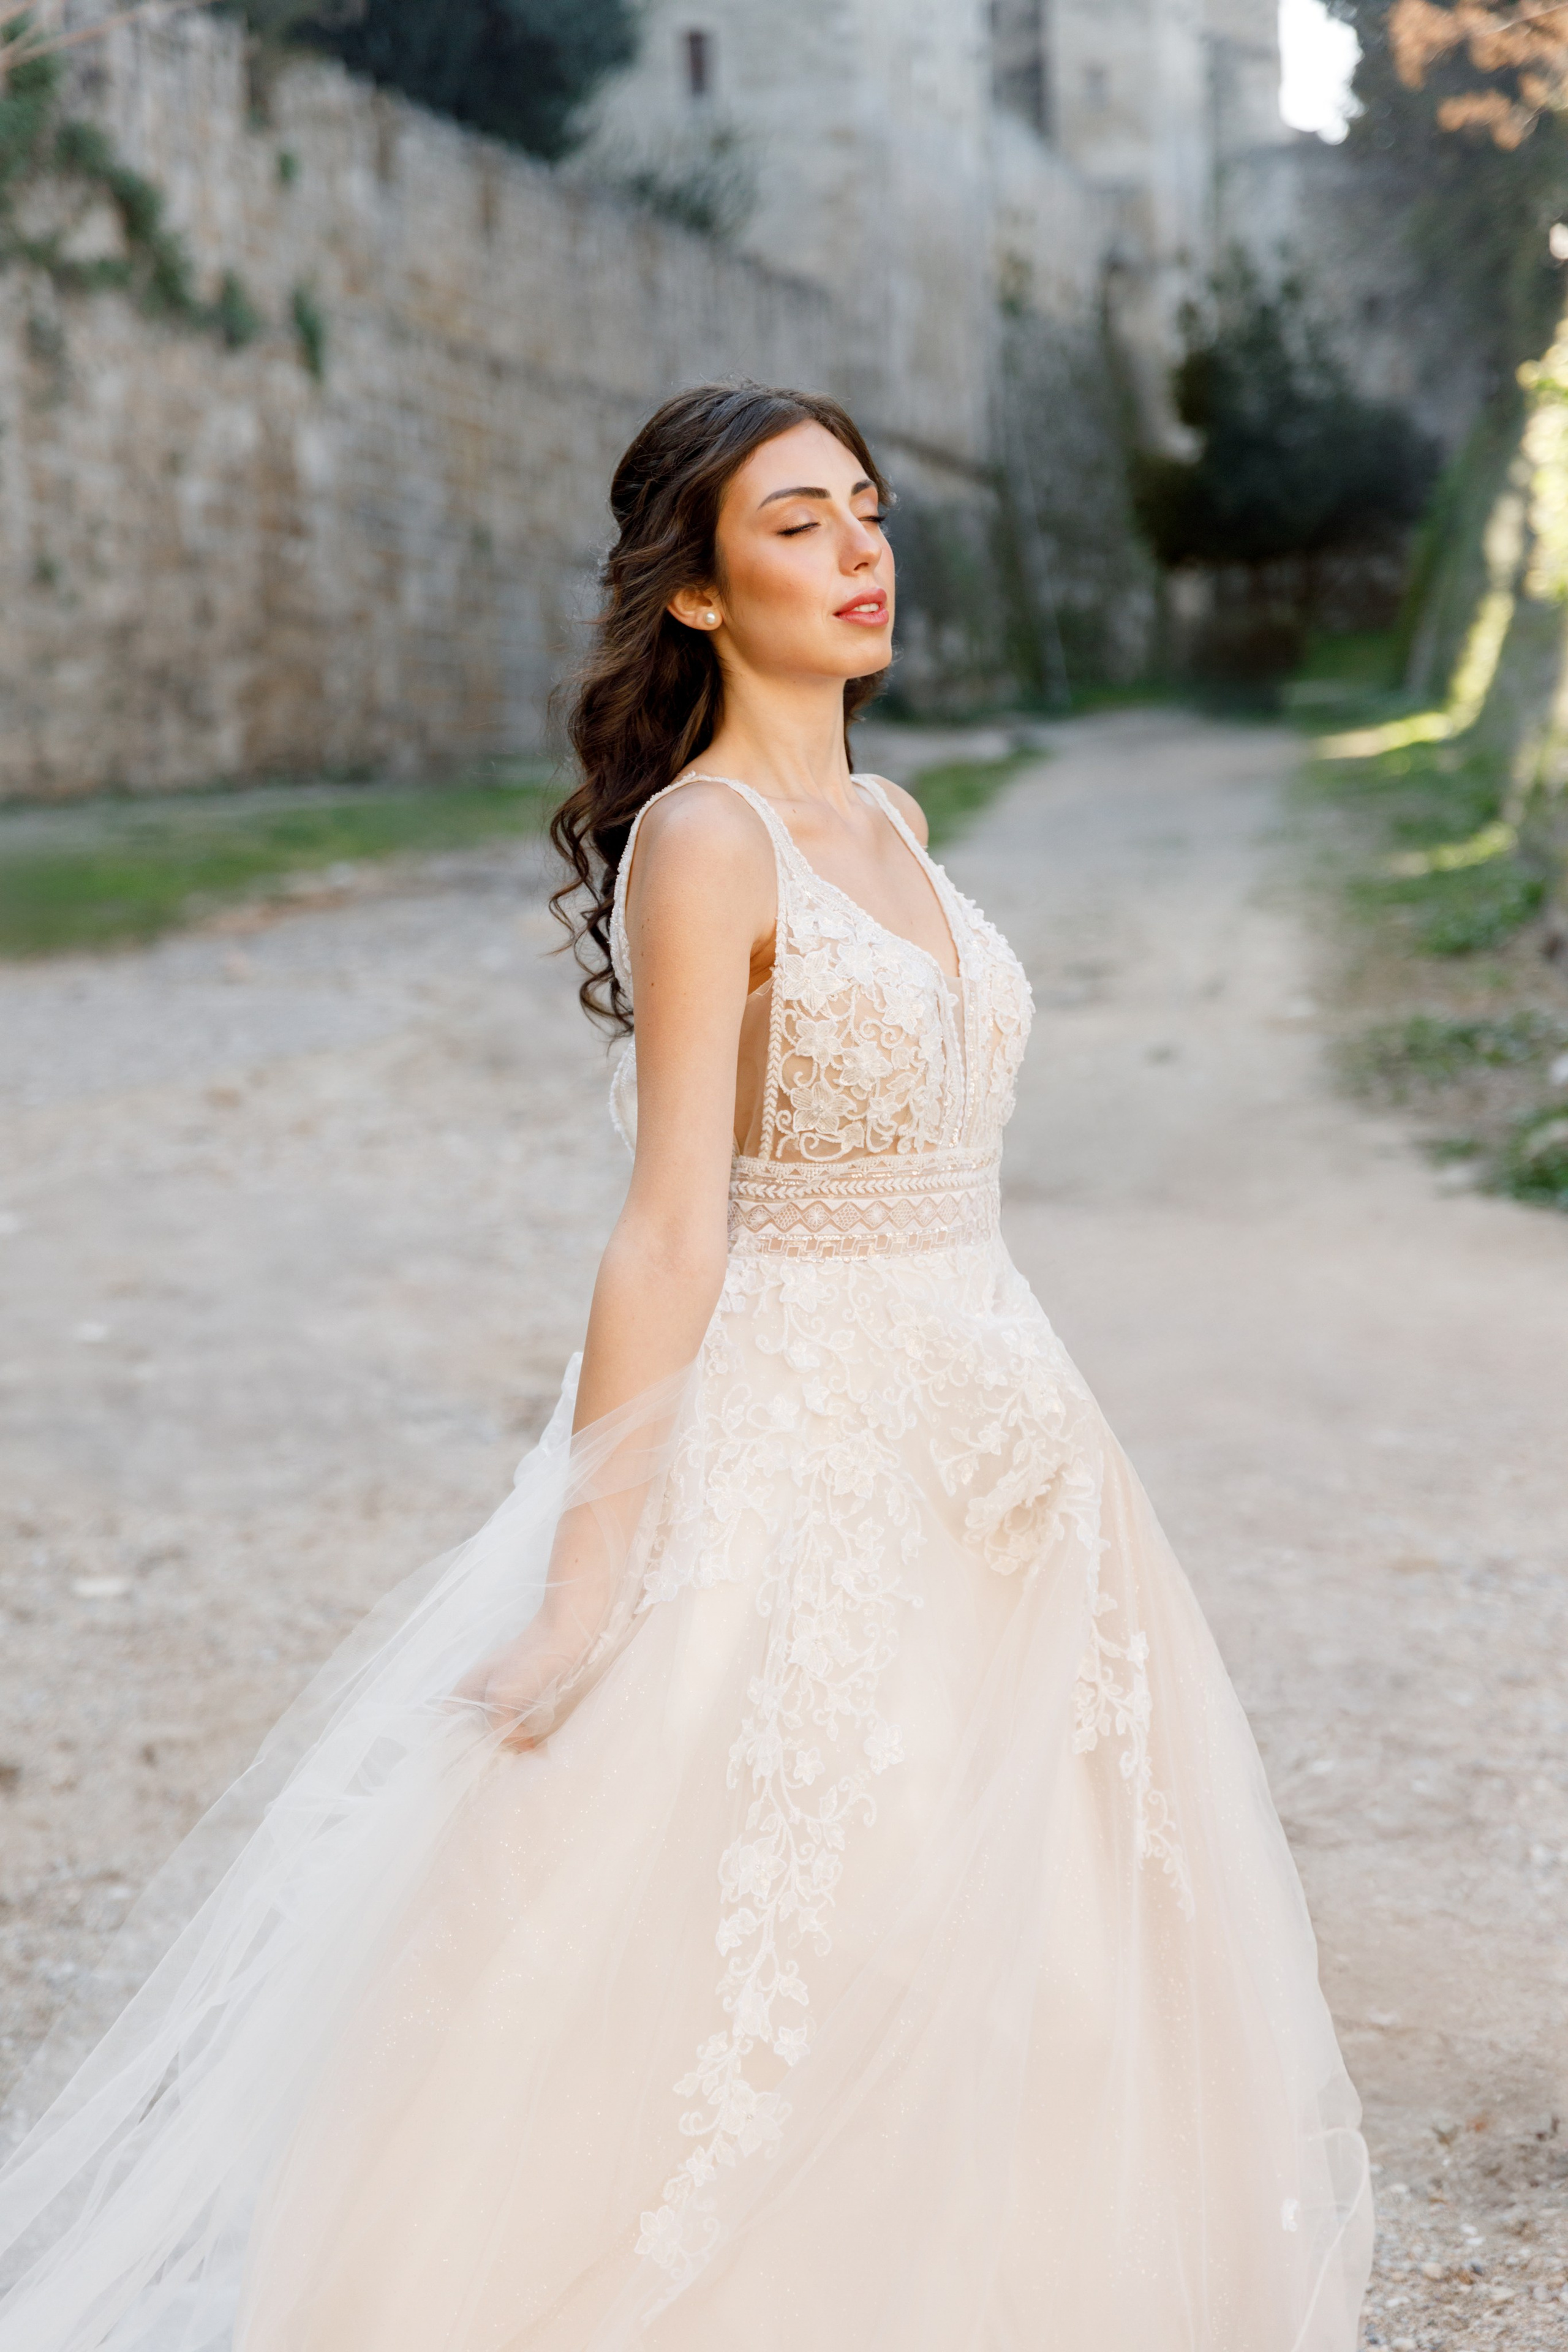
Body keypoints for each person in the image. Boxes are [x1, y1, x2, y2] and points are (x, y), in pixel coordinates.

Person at [0, 382, 1373, 2350]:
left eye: (871, 512)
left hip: (1012, 1441)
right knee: (818, 1918)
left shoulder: (891, 821)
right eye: (801, 523)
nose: (862, 552)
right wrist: (585, 1577)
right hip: (810, 1436)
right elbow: (669, 1227)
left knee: (1047, 1940)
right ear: (705, 593)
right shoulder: (705, 846)